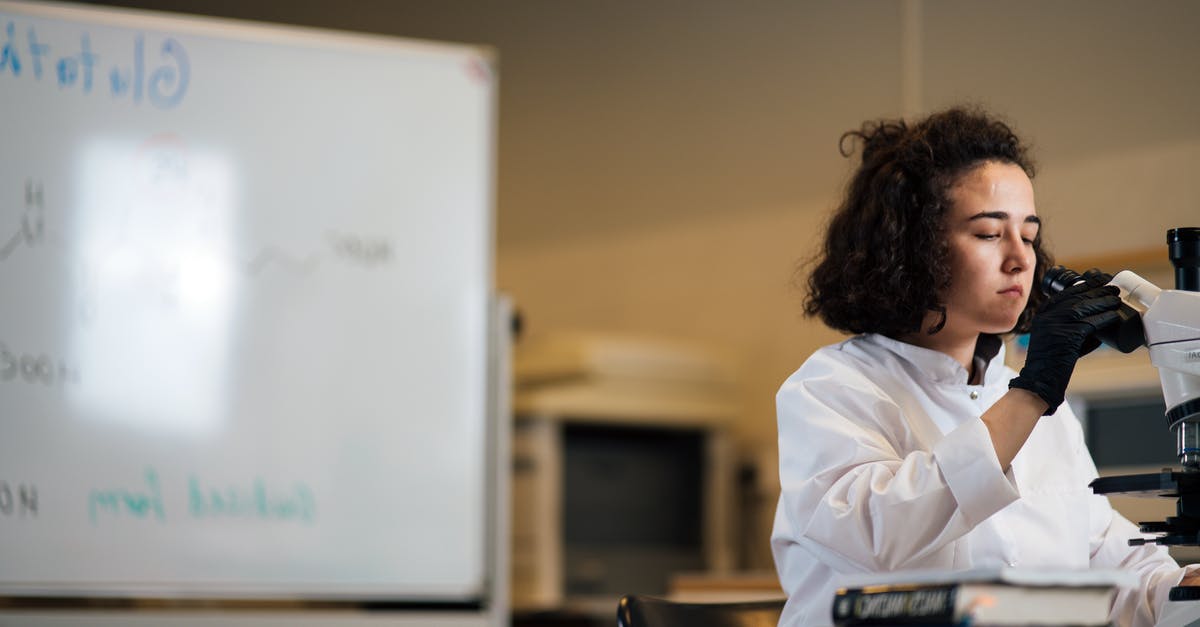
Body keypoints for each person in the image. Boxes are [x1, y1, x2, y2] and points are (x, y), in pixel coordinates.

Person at [770, 106, 1197, 627]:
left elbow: (1111, 570)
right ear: (913, 248)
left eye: (1029, 234)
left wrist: (1179, 589)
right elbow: (878, 537)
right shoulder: (833, 388)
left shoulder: (1041, 414)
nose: (1020, 258)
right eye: (989, 234)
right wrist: (1033, 391)